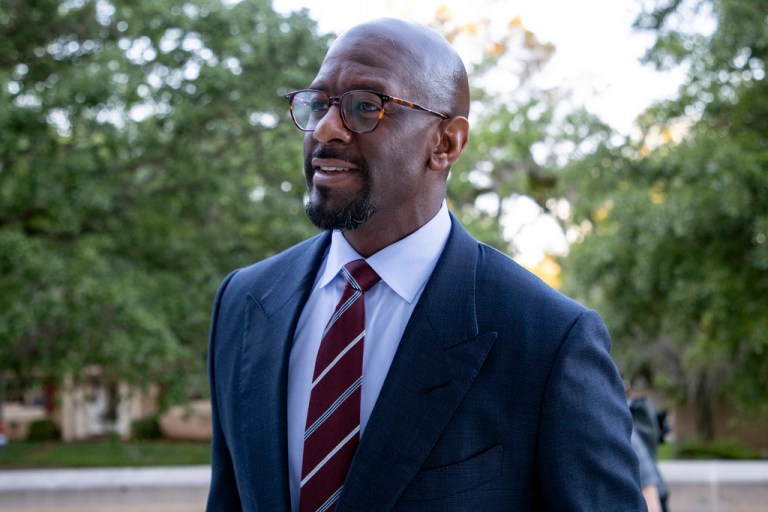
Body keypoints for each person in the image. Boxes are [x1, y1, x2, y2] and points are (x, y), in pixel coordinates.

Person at [206, 18, 645, 512]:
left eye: (366, 107)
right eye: (319, 103)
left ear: (446, 143)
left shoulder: (549, 340)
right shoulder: (243, 304)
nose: (326, 128)